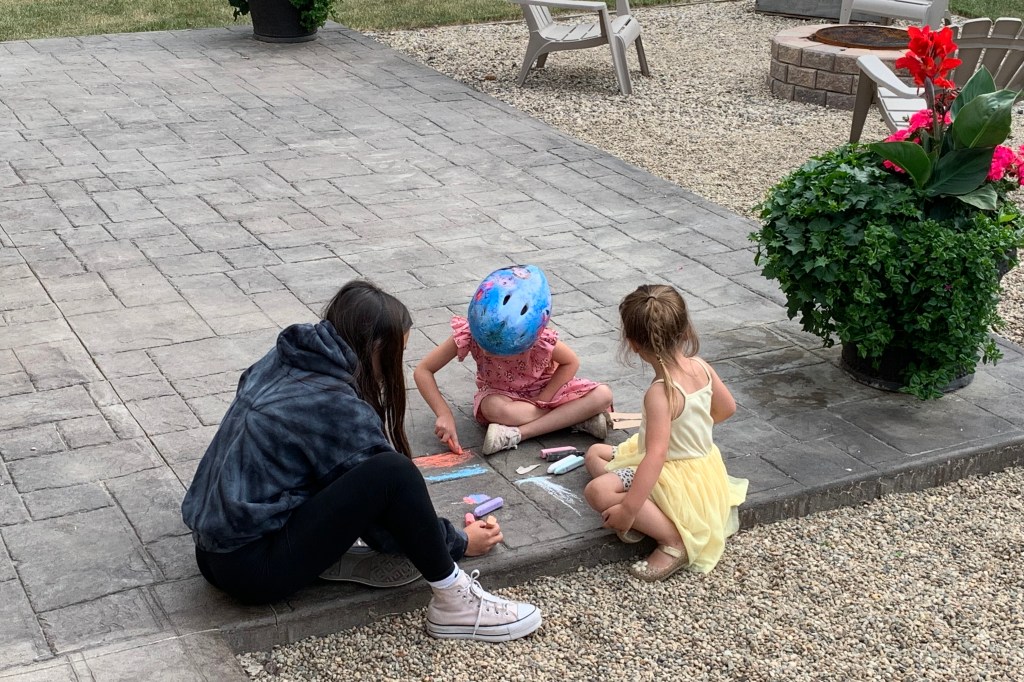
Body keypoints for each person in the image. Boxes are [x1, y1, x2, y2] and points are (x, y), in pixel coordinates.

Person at [180, 280, 542, 642]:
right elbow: (386, 510)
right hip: (254, 569)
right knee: (393, 473)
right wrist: (457, 543)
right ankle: (454, 601)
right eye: (397, 353)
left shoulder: (288, 356)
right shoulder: (332, 401)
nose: (395, 367)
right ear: (377, 348)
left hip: (213, 553)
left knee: (363, 469)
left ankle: (326, 558)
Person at [583, 284, 748, 581]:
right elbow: (727, 409)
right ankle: (649, 512)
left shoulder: (661, 393)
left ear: (633, 344)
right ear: (685, 329)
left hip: (671, 472)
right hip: (703, 469)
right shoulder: (701, 367)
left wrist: (627, 511)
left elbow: (656, 457)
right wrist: (690, 430)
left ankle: (672, 541)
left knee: (597, 491)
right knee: (595, 454)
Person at [414, 264, 614, 456]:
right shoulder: (472, 330)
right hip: (503, 395)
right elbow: (423, 371)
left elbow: (571, 362)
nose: (487, 353)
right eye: (483, 345)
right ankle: (571, 418)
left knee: (603, 395)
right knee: (492, 408)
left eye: (501, 352)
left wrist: (544, 399)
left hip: (545, 389)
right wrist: (444, 414)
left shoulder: (536, 337)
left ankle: (518, 434)